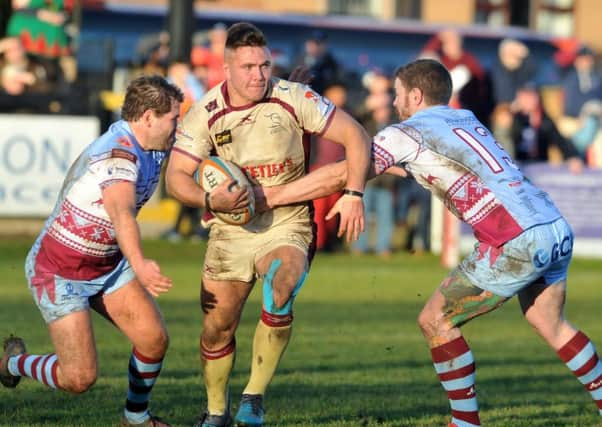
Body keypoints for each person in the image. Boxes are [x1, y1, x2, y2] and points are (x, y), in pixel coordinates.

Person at [257, 59, 602, 426]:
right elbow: (430, 161)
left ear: (416, 95)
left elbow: (346, 170)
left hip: (515, 239)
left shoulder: (407, 131)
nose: (395, 102)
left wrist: (271, 197)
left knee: (435, 320)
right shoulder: (464, 117)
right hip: (552, 225)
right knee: (552, 324)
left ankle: (465, 422)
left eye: (398, 94)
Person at [165, 22, 370, 427]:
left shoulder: (294, 97)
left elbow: (357, 135)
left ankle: (253, 397)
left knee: (281, 285)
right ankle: (216, 411)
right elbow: (175, 178)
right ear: (227, 68)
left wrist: (354, 194)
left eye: (264, 64)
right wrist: (210, 199)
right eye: (248, 67)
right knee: (217, 329)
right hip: (230, 229)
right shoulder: (205, 113)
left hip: (287, 222)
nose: (258, 74)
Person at [0, 75, 183, 427]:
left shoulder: (154, 142)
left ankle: (135, 417)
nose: (178, 125)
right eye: (173, 118)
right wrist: (140, 263)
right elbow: (121, 212)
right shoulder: (117, 155)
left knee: (153, 339)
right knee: (79, 378)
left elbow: (199, 133)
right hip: (58, 272)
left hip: (107, 267)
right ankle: (11, 363)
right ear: (148, 117)